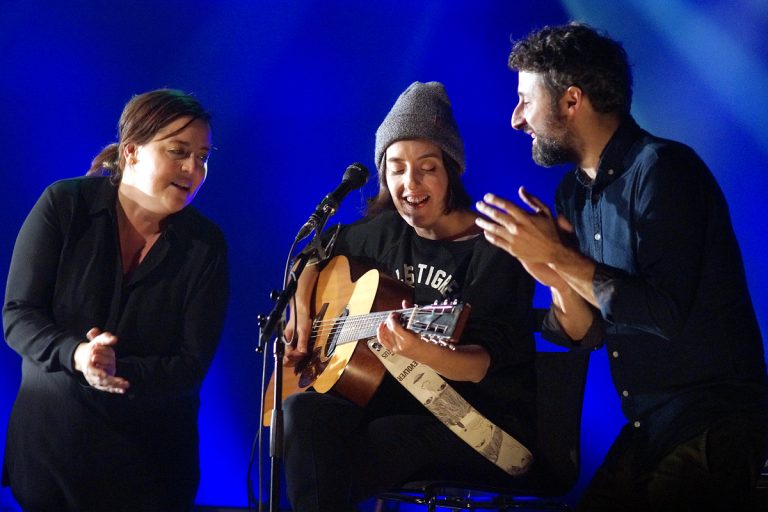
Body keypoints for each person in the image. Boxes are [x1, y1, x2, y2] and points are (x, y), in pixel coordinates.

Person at [475, 22, 768, 511]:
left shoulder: (665, 170)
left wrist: (557, 255)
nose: (516, 118)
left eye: (525, 100)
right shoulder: (571, 194)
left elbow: (662, 312)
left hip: (712, 420)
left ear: (572, 100)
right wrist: (552, 274)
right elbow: (585, 333)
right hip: (647, 426)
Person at [280, 81, 537, 511]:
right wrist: (301, 316)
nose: (410, 183)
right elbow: (309, 257)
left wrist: (420, 350)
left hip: (476, 418)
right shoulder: (385, 231)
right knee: (300, 414)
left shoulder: (495, 247)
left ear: (451, 170)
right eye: (396, 169)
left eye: (427, 168)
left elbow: (481, 365)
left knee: (343, 453)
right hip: (389, 401)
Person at [2, 89, 229, 511]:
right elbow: (18, 316)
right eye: (178, 151)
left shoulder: (205, 245)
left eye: (202, 157)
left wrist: (111, 369)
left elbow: (191, 363)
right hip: (52, 451)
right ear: (132, 151)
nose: (193, 168)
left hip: (149, 466)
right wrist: (78, 355)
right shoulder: (65, 205)